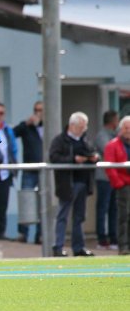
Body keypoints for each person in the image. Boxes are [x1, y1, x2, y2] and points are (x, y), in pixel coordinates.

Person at [49, 112, 97, 257]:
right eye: (81, 127)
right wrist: (73, 159)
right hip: (67, 184)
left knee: (80, 216)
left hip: (83, 182)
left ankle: (78, 247)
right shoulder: (60, 140)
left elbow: (91, 152)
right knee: (63, 215)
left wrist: (93, 158)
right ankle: (58, 246)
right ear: (72, 126)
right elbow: (54, 157)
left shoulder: (85, 139)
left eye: (84, 127)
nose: (83, 130)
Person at [13, 101, 44, 243]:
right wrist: (27, 123)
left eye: (41, 110)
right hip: (29, 169)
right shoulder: (27, 127)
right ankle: (23, 234)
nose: (38, 113)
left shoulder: (50, 126)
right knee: (26, 198)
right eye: (36, 110)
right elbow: (13, 133)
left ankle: (41, 235)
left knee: (43, 201)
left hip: (44, 170)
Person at [104, 116, 130, 256]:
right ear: (121, 129)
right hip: (123, 185)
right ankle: (123, 246)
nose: (128, 131)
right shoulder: (112, 145)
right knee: (123, 216)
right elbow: (110, 166)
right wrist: (119, 183)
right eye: (126, 128)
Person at [0, 103, 18, 241]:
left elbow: (13, 150)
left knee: (2, 204)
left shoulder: (8, 131)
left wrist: (13, 166)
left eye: (1, 113)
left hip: (5, 173)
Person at [94, 110, 119, 250]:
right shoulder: (102, 136)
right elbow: (109, 151)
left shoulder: (116, 136)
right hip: (104, 177)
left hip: (116, 177)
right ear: (112, 121)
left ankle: (114, 237)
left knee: (114, 208)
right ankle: (102, 238)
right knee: (102, 207)